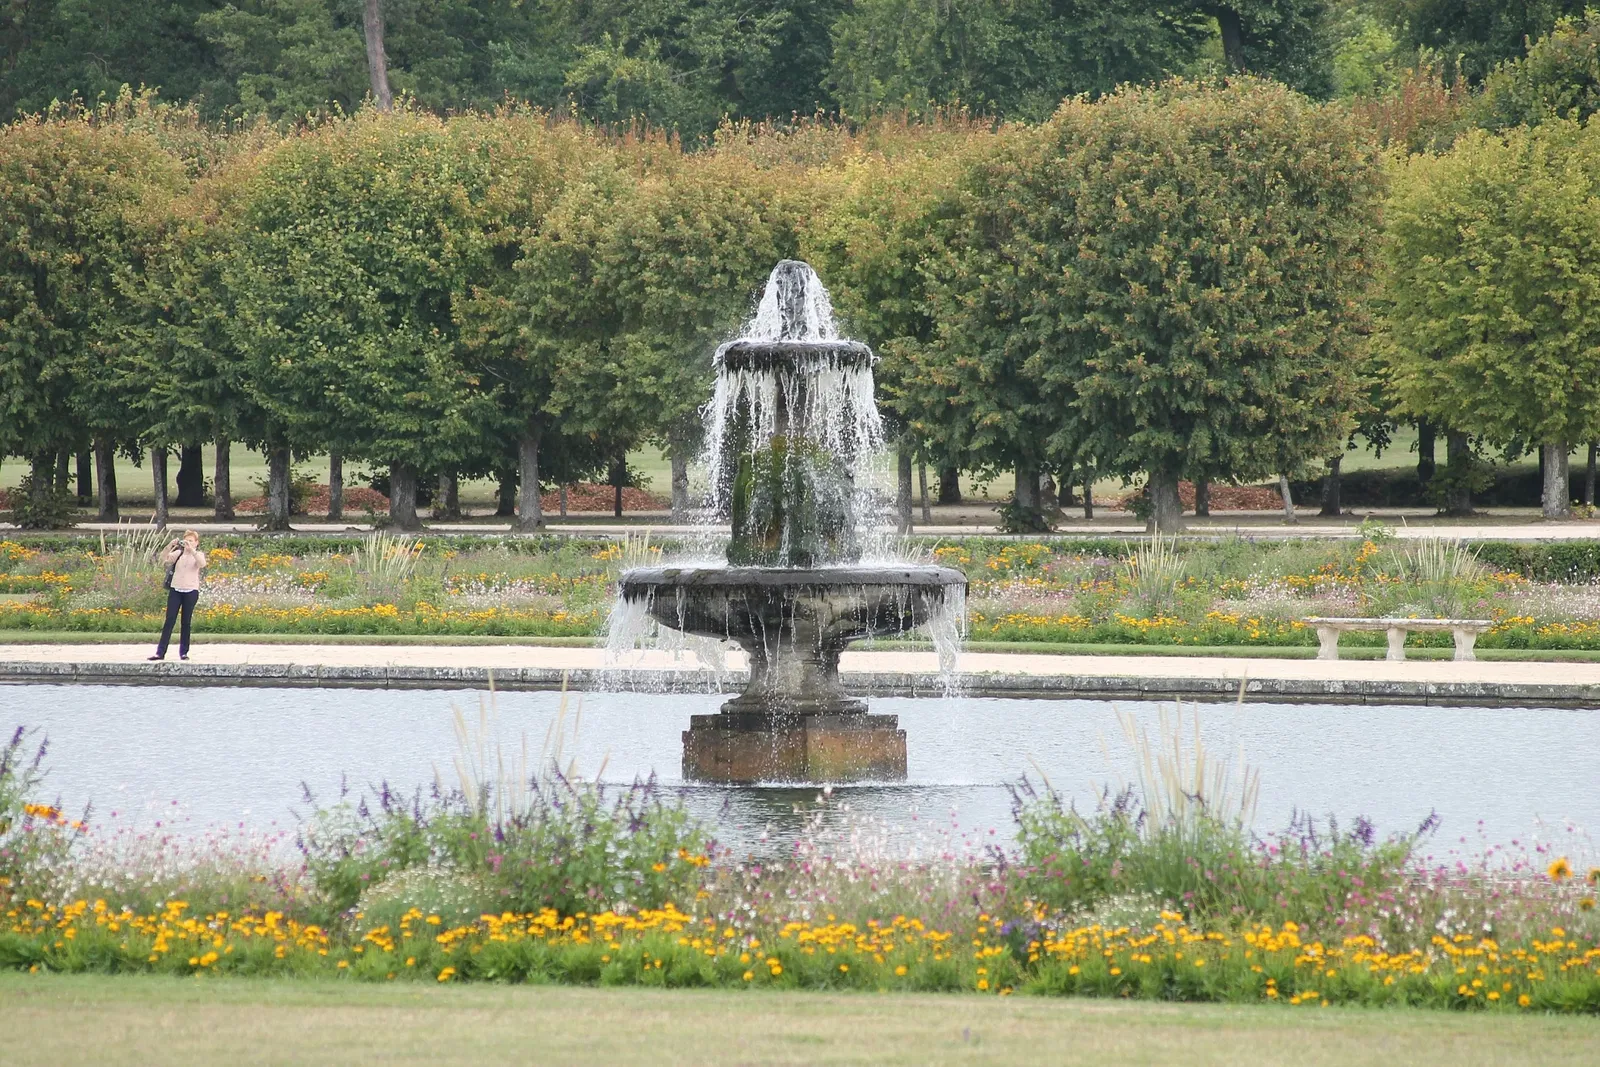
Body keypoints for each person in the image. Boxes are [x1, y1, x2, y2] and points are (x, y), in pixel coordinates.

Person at [150, 530, 207, 661]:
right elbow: (162, 559)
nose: (188, 543)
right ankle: (160, 652)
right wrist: (170, 546)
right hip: (176, 590)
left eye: (191, 541)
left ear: (196, 543)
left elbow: (202, 564)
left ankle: (184, 652)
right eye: (186, 540)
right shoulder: (179, 553)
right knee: (169, 620)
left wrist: (191, 550)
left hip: (191, 591)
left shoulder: (198, 554)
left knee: (186, 622)